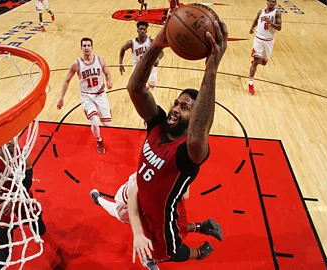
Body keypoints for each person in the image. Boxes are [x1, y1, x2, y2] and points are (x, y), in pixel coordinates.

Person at [125, 11, 228, 267]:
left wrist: (211, 69)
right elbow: (135, 89)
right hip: (149, 205)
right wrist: (157, 45)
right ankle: (202, 226)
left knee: (173, 252)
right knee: (178, 229)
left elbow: (197, 135)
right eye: (176, 103)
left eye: (184, 108)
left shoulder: (187, 152)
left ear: (193, 119)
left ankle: (201, 252)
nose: (174, 109)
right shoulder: (157, 124)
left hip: (163, 218)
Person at [0, 141, 46, 270]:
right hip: (0, 202)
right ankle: (4, 247)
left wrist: (13, 198)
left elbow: (27, 183)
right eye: (6, 141)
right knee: (4, 242)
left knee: (41, 229)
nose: (10, 142)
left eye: (12, 139)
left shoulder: (23, 155)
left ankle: (34, 220)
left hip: (21, 195)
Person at [89, 173, 221, 238]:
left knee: (167, 228)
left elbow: (184, 194)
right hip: (128, 204)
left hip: (146, 203)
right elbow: (184, 195)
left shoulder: (161, 170)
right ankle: (99, 200)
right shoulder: (144, 186)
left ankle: (202, 227)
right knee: (152, 233)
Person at [57, 38, 113, 154]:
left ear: (92, 47)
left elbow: (107, 73)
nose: (86, 47)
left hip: (100, 95)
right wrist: (61, 98)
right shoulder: (76, 64)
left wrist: (108, 81)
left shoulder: (100, 60)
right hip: (86, 96)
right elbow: (67, 81)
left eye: (88, 45)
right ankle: (99, 141)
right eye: (84, 46)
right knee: (94, 121)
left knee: (107, 124)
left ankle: (104, 111)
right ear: (81, 48)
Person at [248, 0, 282, 95]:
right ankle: (250, 84)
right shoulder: (261, 11)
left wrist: (270, 22)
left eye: (273, 1)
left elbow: (279, 27)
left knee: (264, 63)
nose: (271, 3)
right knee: (255, 62)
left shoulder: (277, 13)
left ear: (275, 3)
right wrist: (252, 27)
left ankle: (257, 60)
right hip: (258, 39)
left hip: (269, 41)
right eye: (269, 1)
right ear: (267, 1)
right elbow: (256, 20)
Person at [119, 21, 163, 90]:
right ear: (137, 30)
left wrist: (157, 59)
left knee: (152, 87)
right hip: (138, 70)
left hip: (150, 69)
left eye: (144, 29)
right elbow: (122, 49)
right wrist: (120, 63)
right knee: (139, 89)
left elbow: (161, 52)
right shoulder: (131, 43)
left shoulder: (151, 41)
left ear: (146, 31)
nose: (142, 31)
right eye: (140, 29)